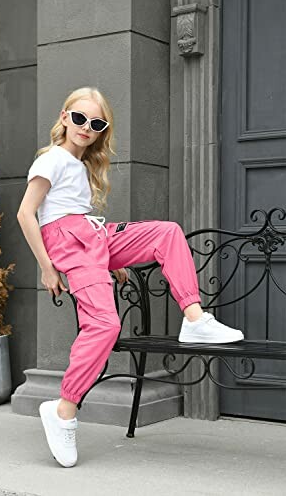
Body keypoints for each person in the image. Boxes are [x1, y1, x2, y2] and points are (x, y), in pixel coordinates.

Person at [17, 86, 244, 468]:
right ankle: (64, 410)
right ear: (63, 117)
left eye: (96, 123)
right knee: (104, 325)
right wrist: (46, 267)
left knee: (167, 232)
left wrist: (108, 257)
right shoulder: (53, 159)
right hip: (69, 242)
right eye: (78, 118)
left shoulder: (81, 166)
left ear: (102, 130)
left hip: (93, 239)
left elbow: (85, 228)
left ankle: (194, 319)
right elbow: (27, 214)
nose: (85, 127)